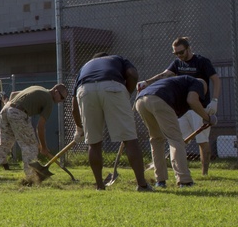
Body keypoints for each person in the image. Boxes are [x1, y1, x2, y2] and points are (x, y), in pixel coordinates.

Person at [137, 37, 221, 176]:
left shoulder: (202, 61)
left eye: (181, 52)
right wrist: (147, 82)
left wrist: (215, 100)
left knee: (202, 140)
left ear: (189, 49)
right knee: (176, 139)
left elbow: (216, 79)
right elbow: (165, 74)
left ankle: (204, 173)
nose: (179, 56)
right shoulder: (177, 63)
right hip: (182, 108)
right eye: (175, 53)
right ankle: (179, 171)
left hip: (198, 106)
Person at [71, 53, 150, 191]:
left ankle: (99, 186)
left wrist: (79, 128)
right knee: (130, 139)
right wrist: (126, 93)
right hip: (112, 86)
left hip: (85, 91)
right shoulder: (117, 58)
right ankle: (142, 185)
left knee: (93, 143)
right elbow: (132, 74)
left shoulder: (85, 66)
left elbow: (74, 107)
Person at [135, 75, 214, 188]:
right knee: (175, 139)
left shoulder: (179, 85)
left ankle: (160, 180)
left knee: (156, 139)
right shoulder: (198, 84)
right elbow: (192, 100)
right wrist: (208, 118)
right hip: (159, 100)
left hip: (141, 100)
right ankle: (184, 180)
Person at [0, 83, 67, 184]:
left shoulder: (38, 88)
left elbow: (13, 94)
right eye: (62, 97)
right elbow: (40, 127)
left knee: (3, 144)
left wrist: (11, 109)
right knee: (30, 145)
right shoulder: (49, 100)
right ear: (56, 91)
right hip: (18, 113)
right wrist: (43, 147)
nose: (61, 101)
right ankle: (31, 177)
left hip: (6, 110)